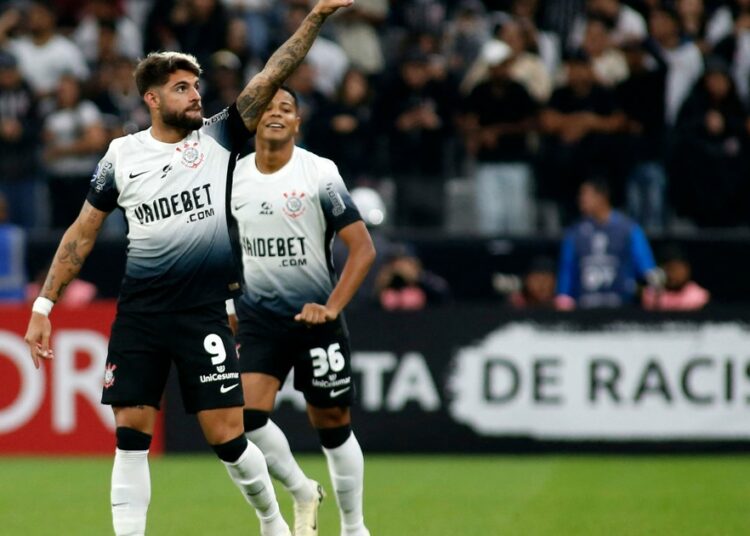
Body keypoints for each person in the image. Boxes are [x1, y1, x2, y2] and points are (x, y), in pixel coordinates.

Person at [23, 2, 353, 536]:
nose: (196, 94)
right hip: (141, 313)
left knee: (227, 435)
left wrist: (313, 19)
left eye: (196, 86)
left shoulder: (220, 139)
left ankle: (273, 520)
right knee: (130, 431)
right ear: (152, 99)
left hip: (202, 314)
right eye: (182, 87)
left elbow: (273, 74)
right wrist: (43, 305)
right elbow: (81, 233)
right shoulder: (121, 156)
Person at [228, 87, 376, 536]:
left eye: (286, 109)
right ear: (253, 121)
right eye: (268, 108)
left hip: (316, 319)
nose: (276, 113)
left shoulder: (319, 173)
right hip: (259, 318)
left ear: (298, 123)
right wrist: (229, 301)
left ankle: (353, 527)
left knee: (332, 424)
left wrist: (330, 308)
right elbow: (215, 246)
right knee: (245, 419)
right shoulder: (231, 177)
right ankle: (301, 488)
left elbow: (363, 249)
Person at [556, 178, 662, 309]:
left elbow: (646, 266)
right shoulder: (575, 232)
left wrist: (652, 289)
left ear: (602, 196)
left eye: (585, 194)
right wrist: (564, 296)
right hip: (584, 309)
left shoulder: (628, 229)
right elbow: (567, 269)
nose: (581, 199)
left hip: (622, 308)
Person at [642, 244, 710, 311]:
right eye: (669, 269)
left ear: (687, 269)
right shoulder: (651, 294)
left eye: (677, 269)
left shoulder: (699, 296)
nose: (673, 274)